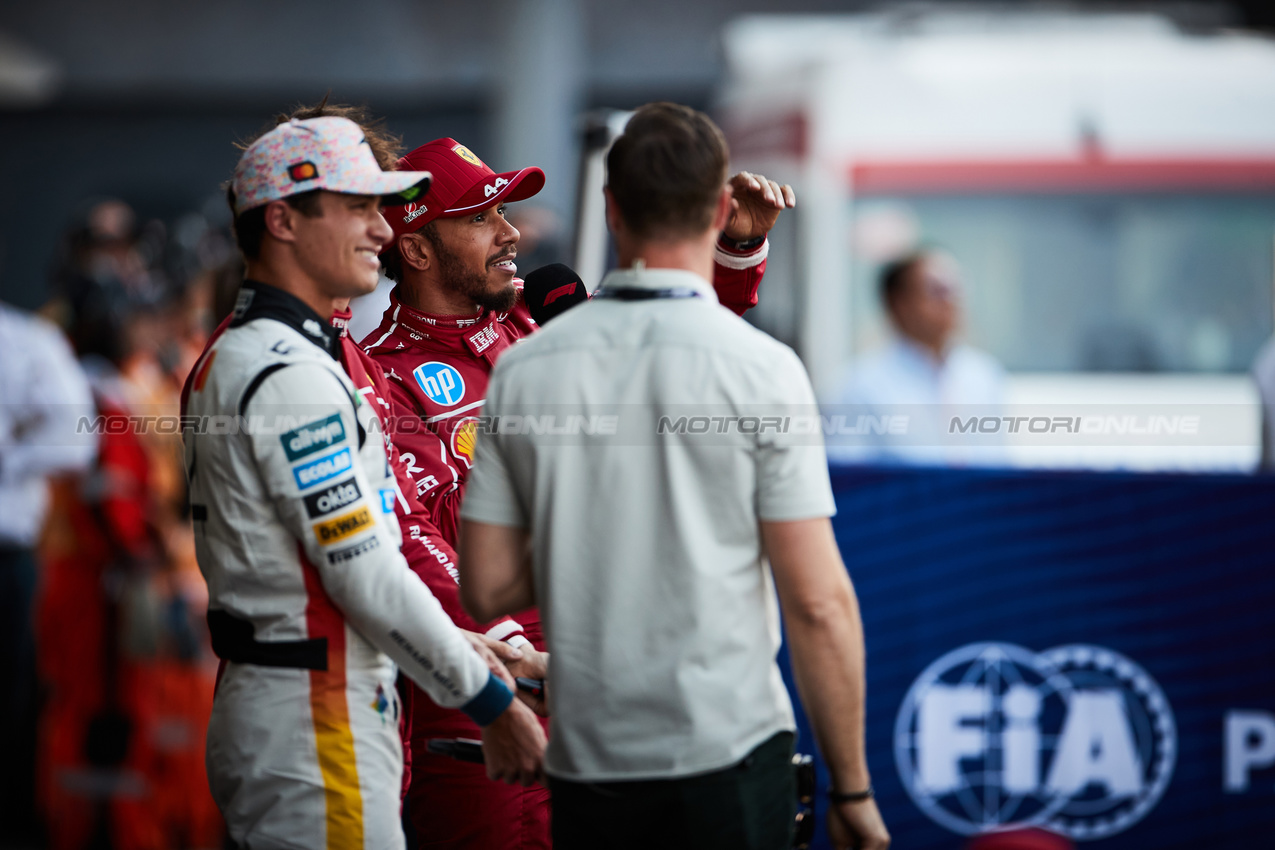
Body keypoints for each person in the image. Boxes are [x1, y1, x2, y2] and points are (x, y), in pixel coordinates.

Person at [456, 102, 889, 850]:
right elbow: (817, 604)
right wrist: (851, 789)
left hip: (591, 759)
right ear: (721, 209)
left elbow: (488, 588)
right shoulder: (764, 370)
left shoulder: (524, 369)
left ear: (610, 209)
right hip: (727, 750)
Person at [362, 134, 790, 849]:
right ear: (415, 250)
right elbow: (408, 540)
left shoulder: (545, 317)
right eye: (480, 216)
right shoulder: (382, 374)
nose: (510, 233)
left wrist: (735, 250)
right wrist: (511, 667)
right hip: (484, 697)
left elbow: (673, 339)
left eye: (505, 211)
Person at [184, 115, 545, 849]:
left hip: (328, 699)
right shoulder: (283, 371)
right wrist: (488, 696)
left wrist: (490, 653)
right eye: (355, 207)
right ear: (282, 221)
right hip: (310, 715)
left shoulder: (281, 353)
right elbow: (364, 571)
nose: (379, 230)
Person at [0, 300, 96, 847]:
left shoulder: (23, 340)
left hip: (9, 557)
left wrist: (10, 456)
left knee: (15, 703)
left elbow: (74, 439)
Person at [829, 249, 1006, 465]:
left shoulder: (984, 376)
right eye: (937, 291)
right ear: (898, 304)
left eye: (955, 290)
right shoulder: (858, 389)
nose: (950, 302)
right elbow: (853, 481)